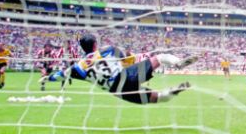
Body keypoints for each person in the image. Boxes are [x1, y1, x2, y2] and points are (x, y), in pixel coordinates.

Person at [57, 34, 196, 104]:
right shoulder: (107, 50)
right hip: (126, 76)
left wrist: (48, 77)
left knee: (157, 98)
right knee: (161, 58)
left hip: (117, 91)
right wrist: (142, 58)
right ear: (95, 45)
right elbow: (128, 60)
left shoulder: (78, 67)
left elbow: (60, 75)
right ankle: (178, 63)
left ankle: (173, 91)